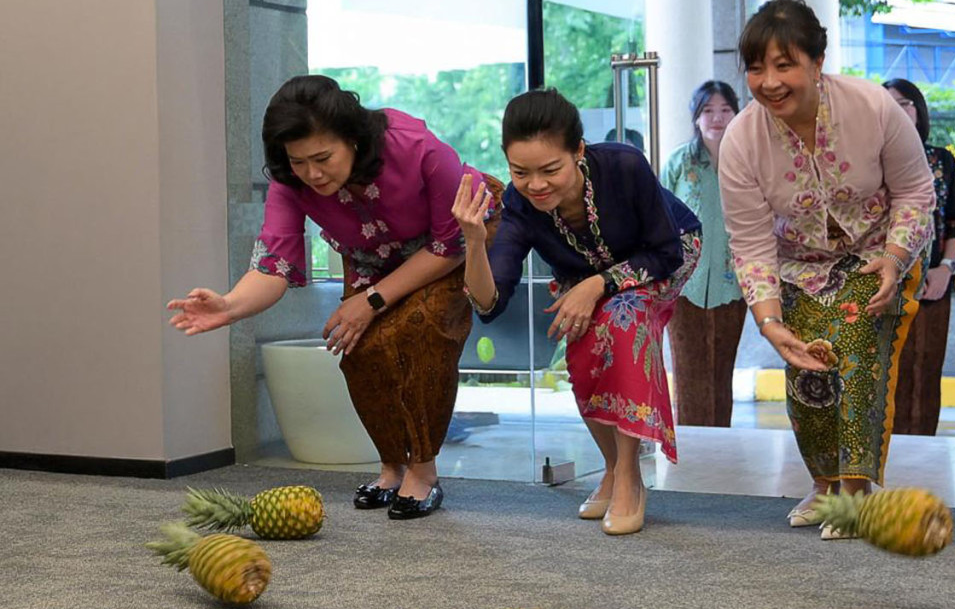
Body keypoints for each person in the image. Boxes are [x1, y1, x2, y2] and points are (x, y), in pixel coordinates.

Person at [167, 75, 501, 520]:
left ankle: (424, 473)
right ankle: (392, 468)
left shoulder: (416, 147)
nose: (313, 174)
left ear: (353, 140)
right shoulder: (292, 183)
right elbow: (274, 266)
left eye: (323, 158)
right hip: (372, 253)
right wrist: (228, 305)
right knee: (358, 347)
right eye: (299, 161)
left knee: (420, 333)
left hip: (458, 235)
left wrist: (371, 301)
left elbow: (446, 246)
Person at [717, 0, 936, 537]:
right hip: (797, 267)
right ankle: (823, 484)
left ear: (818, 62)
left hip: (878, 250)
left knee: (854, 342)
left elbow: (915, 190)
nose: (769, 81)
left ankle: (856, 494)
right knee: (806, 364)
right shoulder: (741, 141)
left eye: (784, 64)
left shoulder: (873, 108)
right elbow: (749, 244)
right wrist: (771, 323)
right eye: (756, 67)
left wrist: (895, 257)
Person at [452, 88, 701, 536]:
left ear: (579, 151)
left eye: (551, 169)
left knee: (623, 318)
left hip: (665, 252)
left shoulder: (624, 165)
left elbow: (665, 251)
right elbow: (490, 303)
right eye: (520, 172)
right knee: (580, 338)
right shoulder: (517, 204)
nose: (536, 185)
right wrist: (473, 241)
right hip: (583, 274)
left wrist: (598, 284)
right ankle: (611, 468)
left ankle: (630, 477)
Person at [883, 78, 955, 436]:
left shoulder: (942, 160)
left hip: (934, 281)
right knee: (890, 370)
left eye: (904, 103)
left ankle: (924, 447)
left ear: (918, 110)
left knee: (927, 369)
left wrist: (945, 269)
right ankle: (889, 451)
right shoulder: (870, 162)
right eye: (888, 105)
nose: (898, 111)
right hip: (884, 284)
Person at [662, 80, 746, 427]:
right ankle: (690, 445)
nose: (717, 118)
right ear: (696, 117)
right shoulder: (680, 161)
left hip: (734, 284)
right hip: (685, 285)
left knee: (722, 369)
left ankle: (721, 443)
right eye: (708, 110)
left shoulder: (746, 162)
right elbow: (658, 215)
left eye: (725, 110)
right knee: (687, 370)